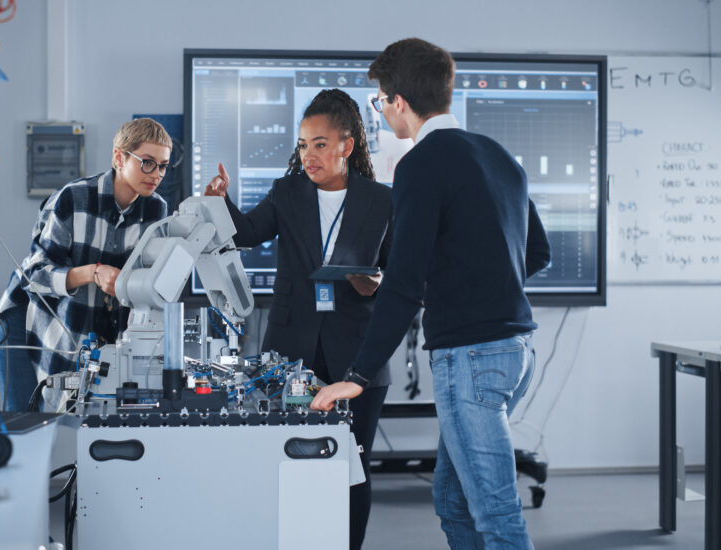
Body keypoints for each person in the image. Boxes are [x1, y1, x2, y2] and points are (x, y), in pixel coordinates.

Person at [311, 39, 551, 550]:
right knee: (453, 500)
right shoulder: (499, 156)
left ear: (399, 101)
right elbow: (537, 254)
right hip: (516, 353)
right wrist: (465, 285)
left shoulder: (421, 164)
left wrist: (355, 376)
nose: (380, 112)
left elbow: (401, 283)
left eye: (379, 101)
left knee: (496, 514)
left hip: (470, 360)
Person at [204, 89, 393, 550]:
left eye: (321, 144)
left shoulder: (382, 200)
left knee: (354, 468)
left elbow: (400, 273)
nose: (309, 155)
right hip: (292, 349)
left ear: (347, 145)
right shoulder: (287, 191)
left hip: (357, 351)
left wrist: (377, 282)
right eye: (304, 144)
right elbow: (248, 233)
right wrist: (219, 201)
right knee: (288, 462)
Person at [0, 118, 172, 410]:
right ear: (119, 157)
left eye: (163, 166)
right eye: (147, 162)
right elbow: (33, 275)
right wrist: (92, 273)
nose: (157, 174)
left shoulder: (157, 210)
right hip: (29, 322)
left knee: (81, 426)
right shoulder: (72, 199)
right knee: (29, 426)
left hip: (89, 325)